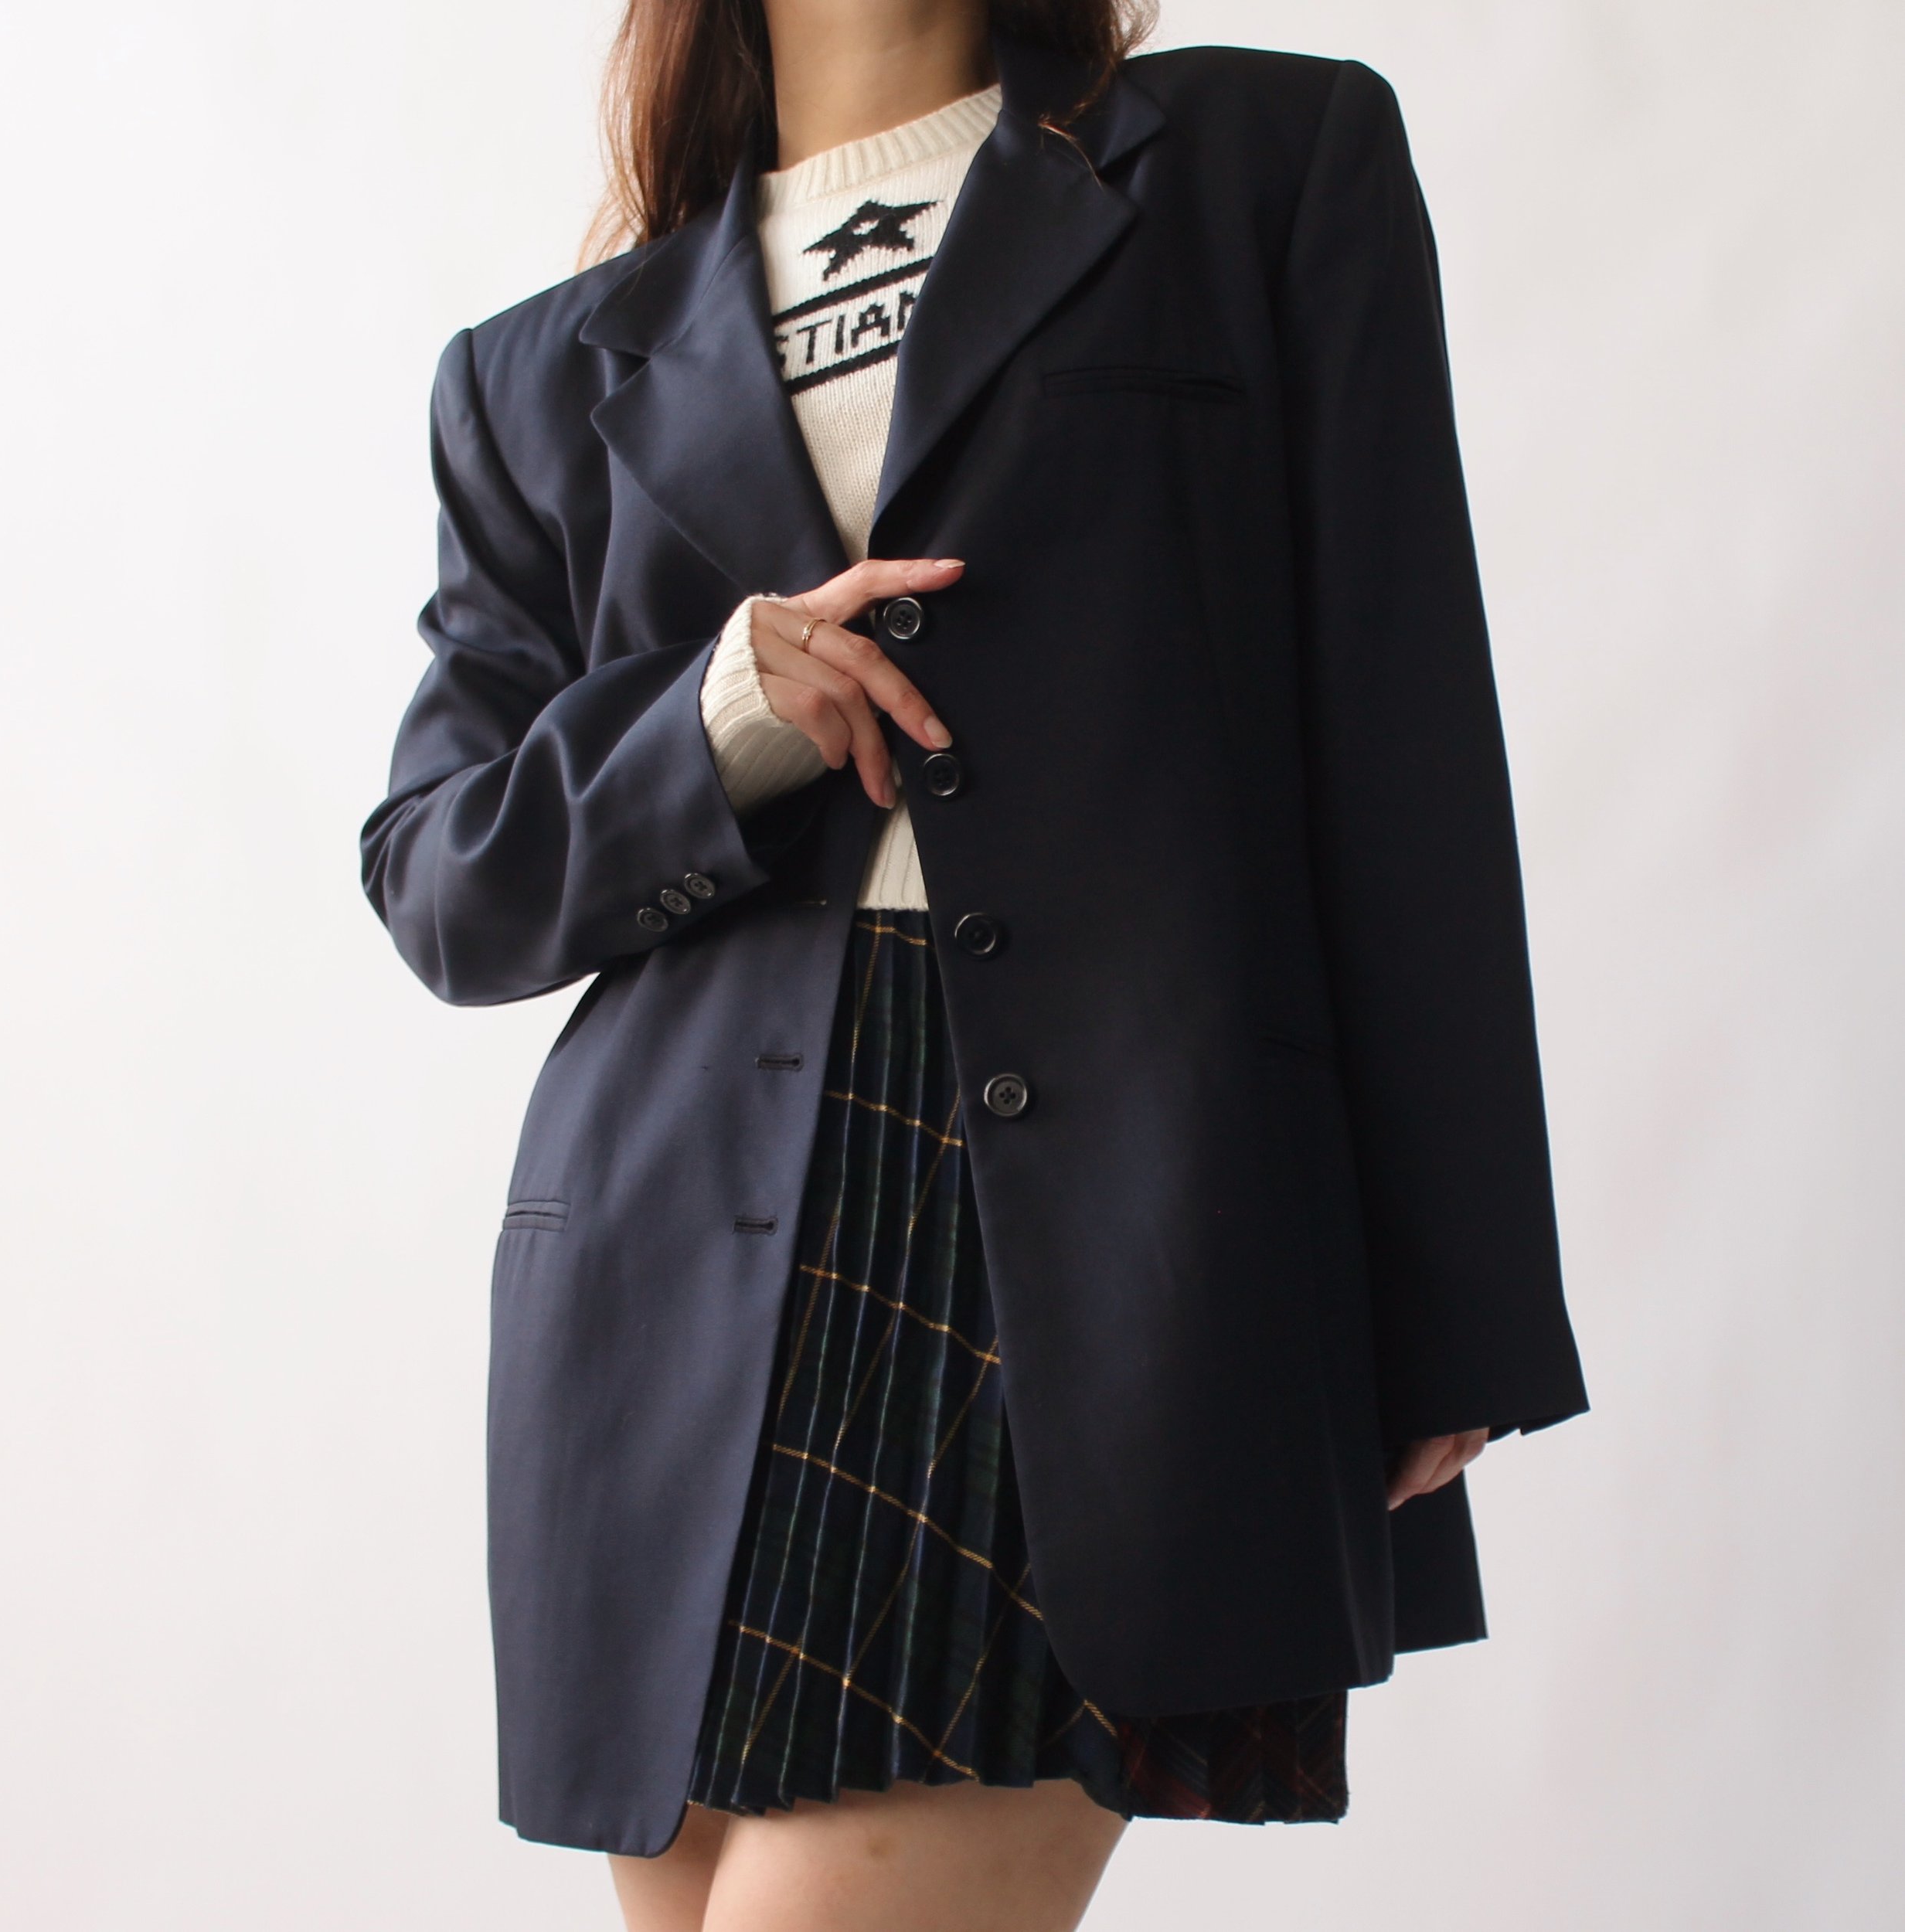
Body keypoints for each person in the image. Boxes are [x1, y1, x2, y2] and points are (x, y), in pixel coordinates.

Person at [360, 0, 1590, 1925]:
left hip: (1099, 1229)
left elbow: (1397, 727)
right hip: (677, 1268)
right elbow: (443, 874)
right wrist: (712, 716)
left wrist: (1454, 1302)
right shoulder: (539, 370)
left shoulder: (1256, 167)